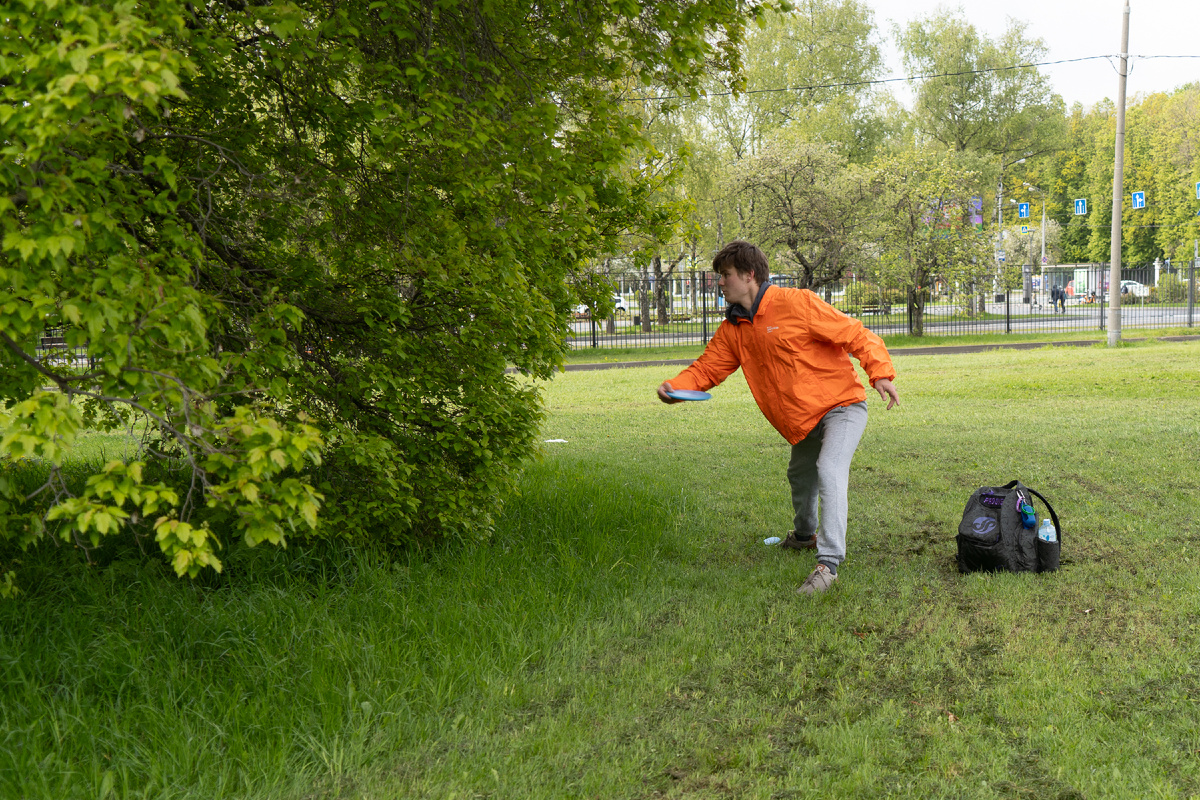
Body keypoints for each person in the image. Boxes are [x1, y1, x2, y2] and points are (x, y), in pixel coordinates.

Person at [657, 241, 899, 596]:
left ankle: (828, 564)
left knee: (829, 469)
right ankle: (804, 536)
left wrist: (881, 374)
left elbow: (855, 334)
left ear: (749, 275)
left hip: (842, 408)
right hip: (803, 423)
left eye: (725, 276)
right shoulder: (735, 329)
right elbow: (706, 370)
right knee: (800, 476)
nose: (720, 283)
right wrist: (674, 388)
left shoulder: (796, 303)